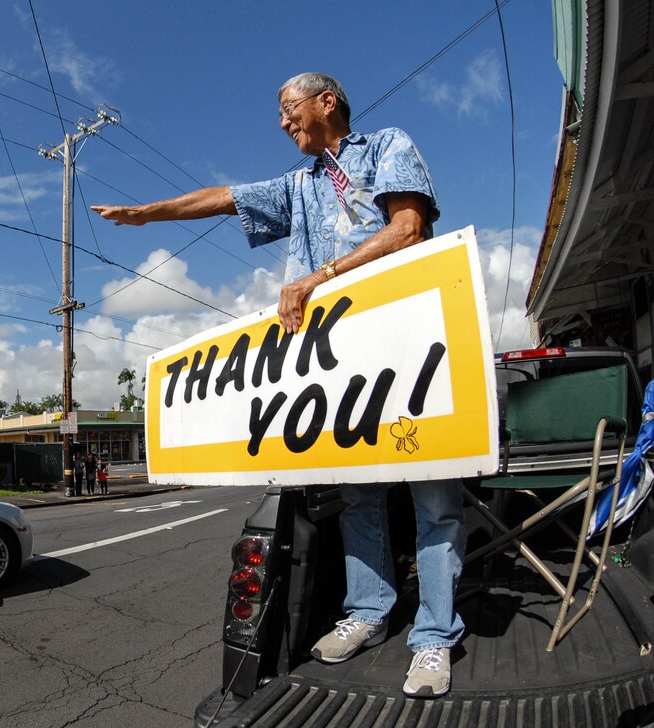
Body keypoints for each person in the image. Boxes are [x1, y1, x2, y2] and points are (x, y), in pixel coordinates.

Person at [92, 72, 465, 698]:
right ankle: (369, 612)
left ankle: (433, 638)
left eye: (290, 108)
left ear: (328, 103)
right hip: (343, 363)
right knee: (359, 492)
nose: (284, 122)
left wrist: (319, 277)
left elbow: (408, 229)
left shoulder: (387, 146)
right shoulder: (300, 185)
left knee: (433, 495)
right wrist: (146, 215)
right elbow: (222, 197)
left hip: (408, 344)